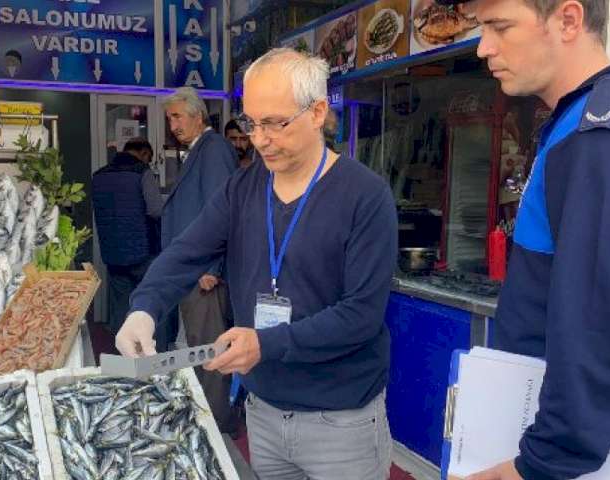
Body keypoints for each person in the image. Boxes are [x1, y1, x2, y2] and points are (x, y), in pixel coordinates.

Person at [116, 48, 396, 479]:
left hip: (340, 420)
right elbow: (186, 252)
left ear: (317, 112)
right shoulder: (243, 188)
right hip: (263, 414)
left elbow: (361, 314)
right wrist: (144, 309)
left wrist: (266, 344)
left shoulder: (366, 196)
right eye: (251, 123)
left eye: (275, 123)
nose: (259, 139)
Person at [446, 1, 610, 479]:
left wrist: (543, 462)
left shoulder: (601, 137)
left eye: (499, 27)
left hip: (583, 459)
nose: (483, 48)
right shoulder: (600, 121)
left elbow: (596, 318)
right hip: (594, 442)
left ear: (568, 20)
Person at [159, 86, 238, 433]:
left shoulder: (214, 148)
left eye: (177, 117)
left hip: (204, 273)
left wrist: (211, 267)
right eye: (169, 119)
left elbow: (221, 210)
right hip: (191, 270)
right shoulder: (198, 150)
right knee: (198, 346)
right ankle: (205, 417)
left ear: (198, 115)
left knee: (210, 351)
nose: (173, 125)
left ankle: (215, 425)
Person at [91, 138, 163, 336]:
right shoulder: (142, 172)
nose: (148, 162)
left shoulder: (99, 175)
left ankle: (119, 348)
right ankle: (148, 346)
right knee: (147, 303)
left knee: (121, 304)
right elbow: (156, 210)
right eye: (148, 158)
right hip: (143, 252)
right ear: (143, 153)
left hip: (112, 252)